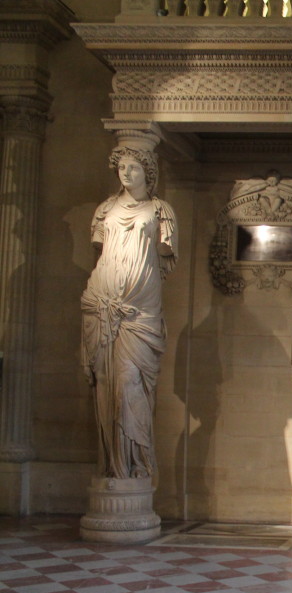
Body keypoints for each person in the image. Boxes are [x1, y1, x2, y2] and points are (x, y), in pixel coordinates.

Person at [81, 145, 177, 479]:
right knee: (106, 384)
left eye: (133, 167)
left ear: (148, 172)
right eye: (122, 166)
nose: (126, 173)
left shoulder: (159, 210)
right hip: (102, 305)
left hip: (140, 312)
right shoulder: (104, 210)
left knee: (128, 384)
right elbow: (98, 255)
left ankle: (135, 463)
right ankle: (113, 466)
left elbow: (164, 258)